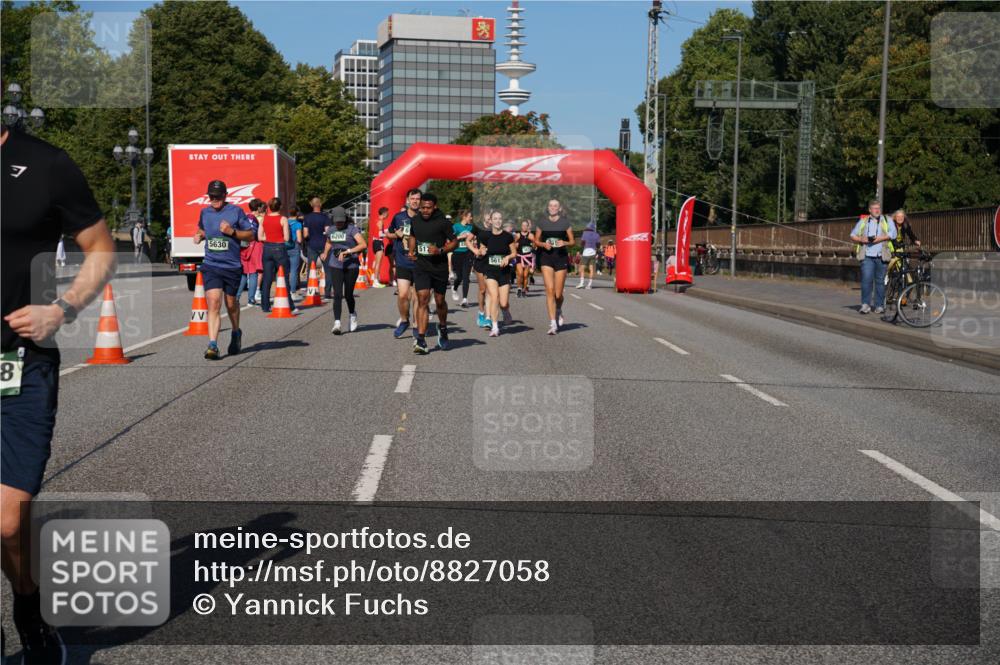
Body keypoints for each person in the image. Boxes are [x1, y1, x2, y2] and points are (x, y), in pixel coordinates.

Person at [2, 124, 116, 664]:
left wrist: (63, 309)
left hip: (19, 365)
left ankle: (28, 601)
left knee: (6, 521)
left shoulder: (45, 163)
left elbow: (99, 250)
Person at [193, 180, 257, 358]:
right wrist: (199, 235)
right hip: (211, 264)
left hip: (232, 266)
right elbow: (202, 228)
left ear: (225, 195)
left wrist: (232, 232)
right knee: (213, 302)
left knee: (230, 304)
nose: (214, 199)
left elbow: (251, 235)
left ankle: (236, 332)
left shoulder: (236, 212)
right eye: (211, 196)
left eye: (218, 196)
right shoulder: (205, 212)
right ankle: (212, 345)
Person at [408, 192, 457, 353]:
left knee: (440, 301)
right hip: (421, 265)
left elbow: (455, 242)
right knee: (422, 299)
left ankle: (442, 327)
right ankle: (421, 340)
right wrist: (411, 250)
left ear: (434, 207)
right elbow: (412, 236)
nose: (425, 211)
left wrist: (440, 250)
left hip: (439, 267)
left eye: (428, 208)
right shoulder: (414, 220)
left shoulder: (443, 223)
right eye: (422, 208)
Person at [469, 210, 517, 337]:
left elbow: (514, 253)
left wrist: (507, 258)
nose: (497, 221)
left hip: (504, 272)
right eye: (495, 218)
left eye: (500, 218)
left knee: (503, 302)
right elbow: (482, 248)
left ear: (502, 220)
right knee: (494, 297)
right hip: (490, 271)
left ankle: (505, 310)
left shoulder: (508, 236)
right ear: (491, 221)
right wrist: (481, 251)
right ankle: (495, 326)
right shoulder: (485, 236)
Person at [320, 207, 365, 334]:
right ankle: (337, 323)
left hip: (351, 265)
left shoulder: (352, 229)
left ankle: (352, 314)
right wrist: (325, 252)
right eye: (337, 221)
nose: (339, 223)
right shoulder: (331, 230)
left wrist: (348, 251)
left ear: (345, 219)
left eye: (341, 221)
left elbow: (363, 244)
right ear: (333, 219)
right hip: (335, 265)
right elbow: (329, 242)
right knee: (338, 294)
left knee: (348, 294)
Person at [533, 199, 575, 335]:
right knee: (549, 290)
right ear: (548, 207)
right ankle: (552, 323)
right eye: (551, 205)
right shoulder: (542, 222)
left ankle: (558, 310)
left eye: (555, 205)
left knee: (558, 294)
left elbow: (573, 241)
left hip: (560, 258)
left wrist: (565, 243)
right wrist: (543, 245)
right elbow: (536, 241)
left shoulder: (565, 222)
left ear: (559, 208)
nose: (553, 207)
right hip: (546, 257)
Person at [849, 199, 897, 315]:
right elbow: (852, 235)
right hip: (867, 256)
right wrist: (862, 239)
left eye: (878, 208)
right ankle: (865, 305)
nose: (877, 210)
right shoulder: (863, 221)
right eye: (874, 208)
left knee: (880, 281)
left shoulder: (887, 220)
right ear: (870, 210)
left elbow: (894, 234)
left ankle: (879, 305)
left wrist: (880, 238)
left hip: (882, 255)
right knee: (866, 280)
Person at [387, 189, 422, 339]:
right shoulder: (399, 217)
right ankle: (404, 320)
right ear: (408, 200)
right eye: (412, 198)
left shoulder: (424, 218)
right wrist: (397, 234)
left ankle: (416, 325)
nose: (415, 201)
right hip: (402, 261)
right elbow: (388, 233)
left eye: (418, 199)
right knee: (402, 295)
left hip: (420, 262)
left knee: (416, 297)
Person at [257, 197, 295, 314]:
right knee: (284, 277)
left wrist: (268, 238)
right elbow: (287, 238)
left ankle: (265, 305)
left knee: (267, 278)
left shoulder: (264, 219)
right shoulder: (283, 219)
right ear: (280, 207)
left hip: (267, 248)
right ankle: (289, 304)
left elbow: (259, 237)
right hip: (279, 248)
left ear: (269, 207)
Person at [236, 198, 264, 306]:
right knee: (253, 274)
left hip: (243, 247)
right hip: (254, 247)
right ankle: (251, 299)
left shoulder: (245, 217)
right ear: (257, 208)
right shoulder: (257, 219)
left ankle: (237, 297)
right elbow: (256, 234)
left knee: (243, 273)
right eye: (260, 206)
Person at [302, 197, 330, 298]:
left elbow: (305, 234)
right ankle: (327, 293)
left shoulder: (307, 217)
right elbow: (328, 232)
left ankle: (311, 290)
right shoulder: (325, 217)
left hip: (311, 245)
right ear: (320, 205)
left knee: (311, 268)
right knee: (327, 268)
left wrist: (308, 237)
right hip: (324, 244)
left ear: (311, 205)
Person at [450, 209, 475, 307]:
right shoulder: (456, 226)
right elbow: (450, 239)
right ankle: (454, 288)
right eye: (470, 216)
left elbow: (475, 238)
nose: (471, 218)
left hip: (468, 253)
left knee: (466, 277)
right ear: (464, 217)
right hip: (457, 253)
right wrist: (460, 237)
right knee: (459, 277)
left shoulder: (471, 227)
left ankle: (465, 299)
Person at [473, 211, 493, 329]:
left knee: (490, 290)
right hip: (480, 261)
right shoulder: (477, 227)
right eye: (488, 215)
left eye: (492, 216)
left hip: (492, 262)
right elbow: (468, 240)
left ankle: (488, 318)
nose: (490, 218)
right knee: (482, 290)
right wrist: (475, 250)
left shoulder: (497, 228)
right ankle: (481, 312)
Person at [514, 220, 535, 297]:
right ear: (521, 226)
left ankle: (524, 290)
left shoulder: (531, 235)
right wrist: (516, 246)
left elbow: (535, 245)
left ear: (528, 226)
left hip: (528, 257)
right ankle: (519, 288)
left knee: (526, 275)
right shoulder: (517, 235)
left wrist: (533, 245)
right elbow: (513, 245)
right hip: (520, 256)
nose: (524, 227)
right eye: (523, 225)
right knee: (520, 273)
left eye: (526, 225)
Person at [577, 222, 601, 289]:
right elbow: (598, 245)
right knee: (591, 269)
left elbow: (582, 243)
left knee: (581, 268)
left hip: (586, 253)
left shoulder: (584, 233)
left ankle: (581, 283)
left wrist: (581, 250)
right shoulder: (597, 235)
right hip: (593, 252)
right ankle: (589, 285)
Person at [286, 206, 304, 295]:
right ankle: (292, 290)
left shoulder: (285, 222)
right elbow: (299, 239)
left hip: (284, 247)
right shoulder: (297, 224)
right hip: (294, 247)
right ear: (297, 213)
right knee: (293, 270)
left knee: (284, 269)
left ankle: (283, 288)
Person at [371, 207, 390, 288]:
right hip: (378, 242)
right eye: (387, 213)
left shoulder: (377, 220)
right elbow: (380, 234)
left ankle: (375, 279)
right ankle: (375, 280)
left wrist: (387, 231)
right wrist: (389, 235)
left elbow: (380, 231)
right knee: (378, 262)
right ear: (384, 213)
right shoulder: (381, 221)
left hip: (375, 242)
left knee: (376, 262)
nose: (388, 215)